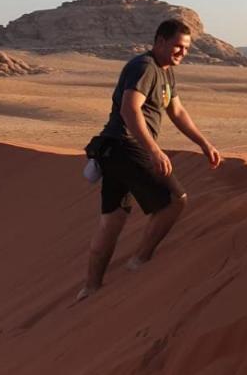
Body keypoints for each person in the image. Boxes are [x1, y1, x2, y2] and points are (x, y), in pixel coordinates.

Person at [76, 19, 221, 300]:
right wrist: (153, 150)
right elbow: (131, 110)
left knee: (113, 220)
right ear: (160, 41)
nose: (182, 52)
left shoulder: (165, 73)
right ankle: (140, 261)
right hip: (126, 145)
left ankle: (91, 287)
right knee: (175, 200)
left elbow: (177, 112)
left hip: (115, 150)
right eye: (178, 46)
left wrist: (204, 143)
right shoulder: (144, 67)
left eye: (187, 48)